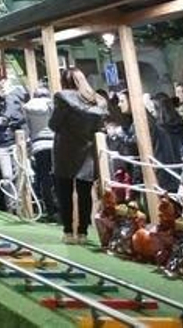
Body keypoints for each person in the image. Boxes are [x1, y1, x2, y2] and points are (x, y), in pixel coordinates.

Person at [48, 68, 106, 245]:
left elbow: (53, 124)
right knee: (84, 192)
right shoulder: (96, 100)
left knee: (64, 192)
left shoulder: (62, 98)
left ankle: (68, 231)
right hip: (87, 150)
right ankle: (82, 232)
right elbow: (100, 126)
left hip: (65, 149)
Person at [24, 83, 57, 219]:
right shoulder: (52, 105)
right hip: (54, 143)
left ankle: (49, 209)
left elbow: (27, 128)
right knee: (57, 177)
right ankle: (59, 207)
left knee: (43, 178)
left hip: (38, 145)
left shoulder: (27, 108)